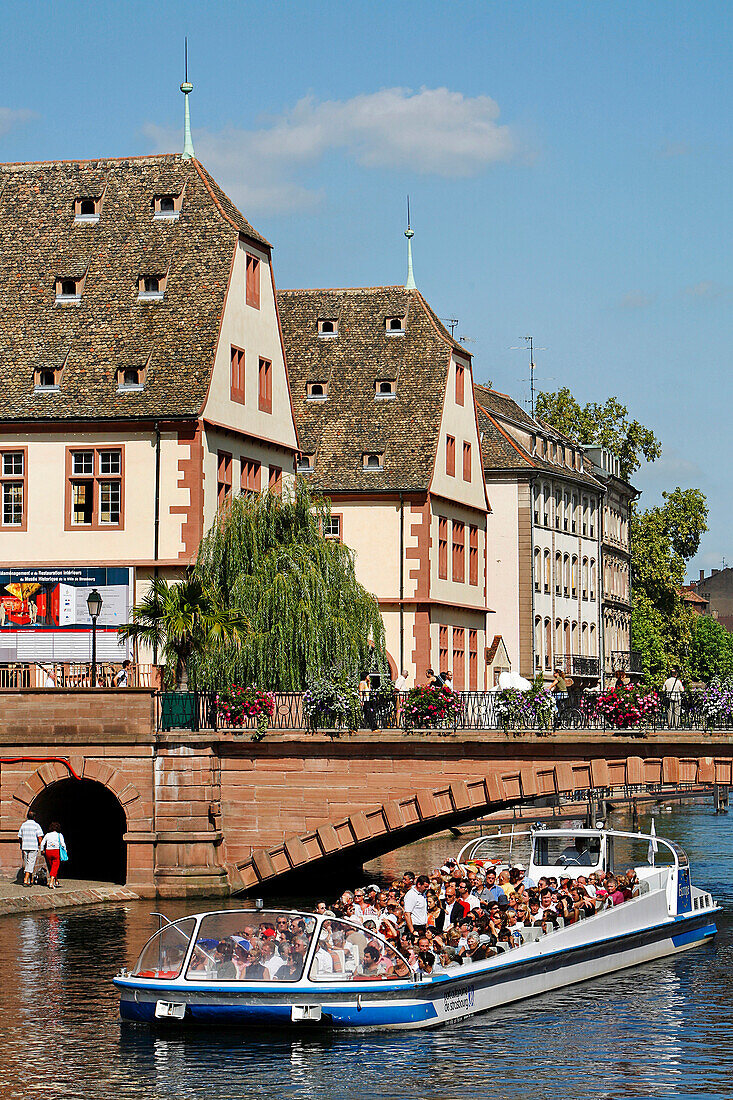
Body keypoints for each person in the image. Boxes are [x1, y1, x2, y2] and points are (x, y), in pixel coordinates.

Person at [18, 810, 44, 887]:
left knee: (27, 863)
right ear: (34, 817)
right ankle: (26, 880)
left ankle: (30, 879)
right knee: (31, 863)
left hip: (25, 846)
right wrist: (41, 847)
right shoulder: (36, 825)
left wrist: (21, 844)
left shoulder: (23, 825)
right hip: (33, 846)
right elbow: (39, 837)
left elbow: (20, 836)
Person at [40, 821, 66, 889]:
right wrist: (65, 850)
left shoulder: (47, 835)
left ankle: (56, 880)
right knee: (55, 866)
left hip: (48, 851)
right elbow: (62, 844)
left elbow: (42, 843)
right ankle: (51, 882)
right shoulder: (59, 835)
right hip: (56, 851)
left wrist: (42, 850)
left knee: (52, 866)